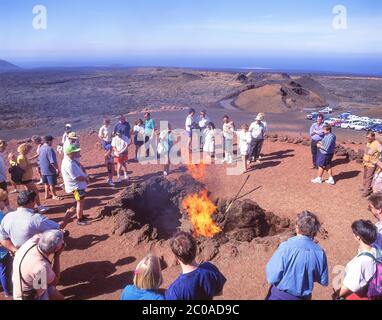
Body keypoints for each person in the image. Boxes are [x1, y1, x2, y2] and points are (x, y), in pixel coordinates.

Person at [266, 211, 328, 300]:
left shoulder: (285, 247)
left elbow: (272, 277)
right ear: (314, 230)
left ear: (297, 227)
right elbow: (323, 281)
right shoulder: (320, 252)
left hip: (279, 296)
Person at [0, 191, 71, 251]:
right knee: (58, 235)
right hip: (33, 252)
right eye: (35, 200)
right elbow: (59, 227)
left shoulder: (7, 217)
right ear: (31, 202)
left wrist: (16, 251)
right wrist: (68, 215)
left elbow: (3, 239)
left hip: (17, 253)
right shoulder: (36, 219)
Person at [165, 232, 226, 300]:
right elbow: (219, 292)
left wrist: (169, 292)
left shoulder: (174, 291)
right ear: (196, 250)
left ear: (176, 256)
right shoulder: (210, 268)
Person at [12, 230, 65, 300]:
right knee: (49, 289)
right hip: (28, 296)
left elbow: (39, 235)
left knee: (57, 296)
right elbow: (54, 281)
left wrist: (57, 233)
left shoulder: (29, 244)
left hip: (19, 287)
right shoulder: (42, 266)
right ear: (56, 249)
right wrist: (57, 256)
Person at [335, 220, 380, 300]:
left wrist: (337, 294)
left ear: (358, 236)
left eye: (354, 233)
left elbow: (348, 287)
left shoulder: (361, 262)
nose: (353, 234)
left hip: (360, 296)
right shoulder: (376, 249)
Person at [61, 145, 90, 226]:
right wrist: (86, 178)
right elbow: (77, 178)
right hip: (77, 187)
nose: (77, 153)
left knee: (81, 202)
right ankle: (79, 219)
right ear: (70, 153)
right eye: (75, 152)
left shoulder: (69, 160)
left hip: (78, 186)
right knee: (80, 202)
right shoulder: (68, 164)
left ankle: (81, 215)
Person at [17, 143, 49, 213]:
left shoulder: (23, 156)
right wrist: (33, 164)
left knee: (30, 193)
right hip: (26, 179)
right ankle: (39, 207)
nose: (29, 151)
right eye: (28, 149)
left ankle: (32, 207)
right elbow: (24, 168)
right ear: (25, 149)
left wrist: (32, 164)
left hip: (27, 178)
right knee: (35, 192)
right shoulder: (21, 157)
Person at [39, 136, 62, 201]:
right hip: (50, 170)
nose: (52, 142)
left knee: (46, 183)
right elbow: (52, 162)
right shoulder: (49, 149)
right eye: (51, 141)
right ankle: (54, 195)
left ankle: (47, 195)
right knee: (52, 184)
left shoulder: (41, 147)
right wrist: (57, 169)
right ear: (49, 141)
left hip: (43, 170)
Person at [362, 131, 381, 197]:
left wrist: (377, 161)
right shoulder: (368, 142)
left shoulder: (377, 144)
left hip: (371, 164)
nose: (368, 139)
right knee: (365, 176)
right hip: (365, 163)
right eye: (367, 137)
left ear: (373, 137)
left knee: (369, 177)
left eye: (369, 138)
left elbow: (381, 151)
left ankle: (366, 191)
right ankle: (365, 188)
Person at [0, 190, 12, 298]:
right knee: (5, 271)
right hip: (2, 250)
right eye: (4, 200)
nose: (5, 202)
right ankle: (8, 291)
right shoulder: (1, 216)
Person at [0, 141, 13, 212]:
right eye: (3, 147)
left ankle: (8, 208)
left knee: (4, 194)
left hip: (2, 179)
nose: (5, 148)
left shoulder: (0, 155)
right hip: (0, 179)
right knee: (2, 195)